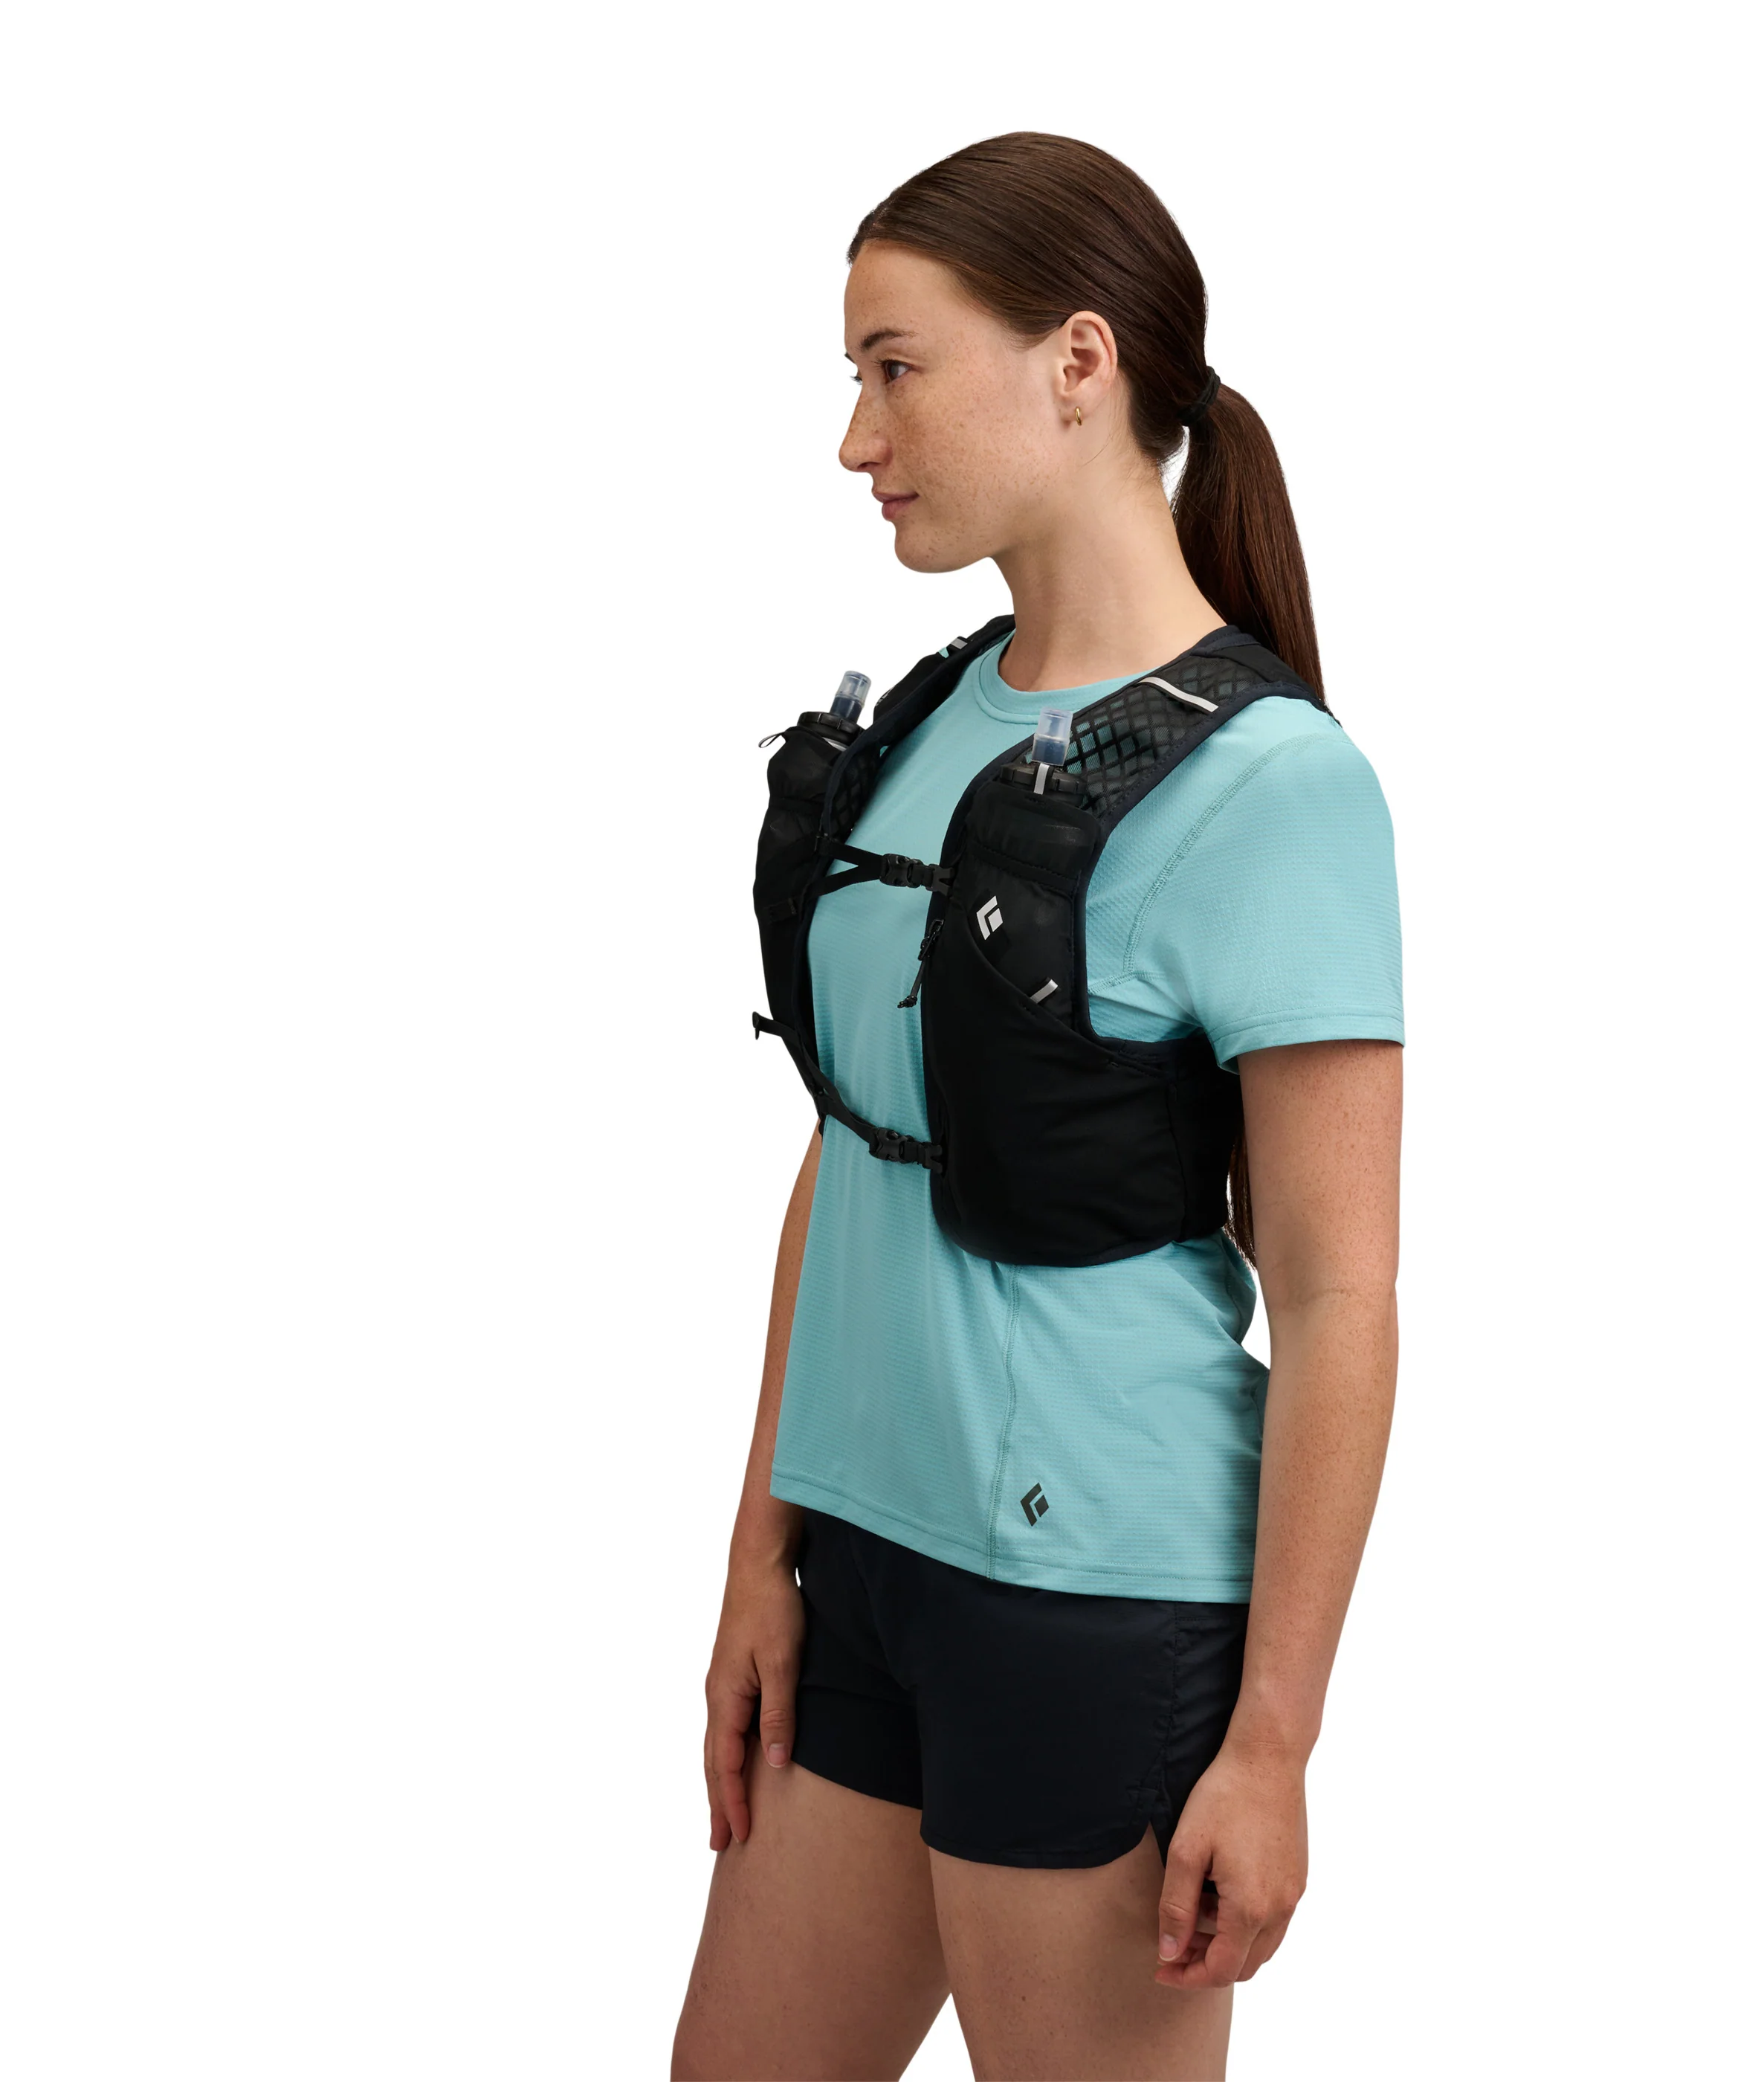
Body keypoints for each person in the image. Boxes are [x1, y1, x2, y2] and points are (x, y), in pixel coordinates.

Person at [672, 132, 1403, 2081]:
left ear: (1078, 362)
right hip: (863, 1569)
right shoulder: (927, 725)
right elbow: (851, 1146)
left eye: (895, 369)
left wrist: (1274, 1742)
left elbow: (1341, 1296)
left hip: (1092, 1597)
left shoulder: (1277, 786)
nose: (858, 437)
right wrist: (760, 1554)